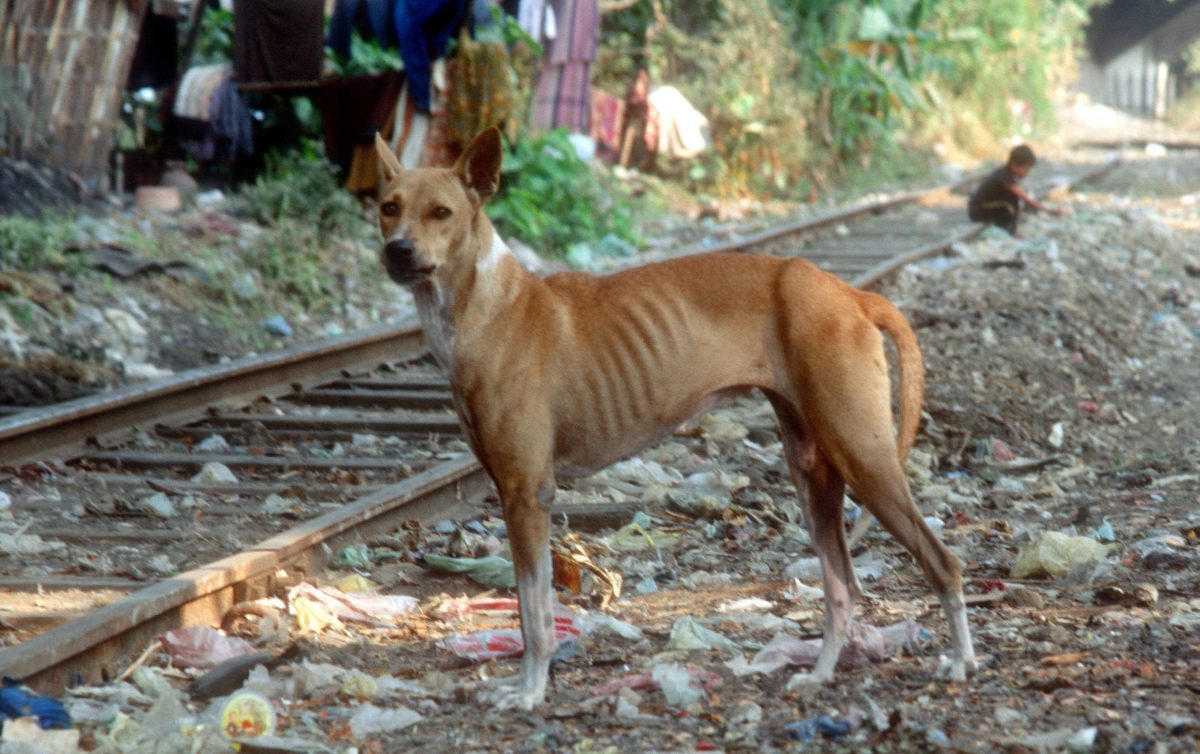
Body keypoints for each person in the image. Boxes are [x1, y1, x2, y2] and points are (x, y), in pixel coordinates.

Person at [968, 145, 1069, 236]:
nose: (1027, 172)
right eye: (1026, 169)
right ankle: (1011, 232)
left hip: (985, 206)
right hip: (978, 210)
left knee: (1013, 200)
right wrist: (1052, 212)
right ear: (1014, 166)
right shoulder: (1005, 178)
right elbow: (1027, 200)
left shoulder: (1007, 174)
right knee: (1013, 200)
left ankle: (1008, 228)